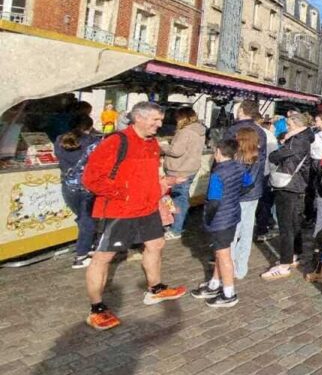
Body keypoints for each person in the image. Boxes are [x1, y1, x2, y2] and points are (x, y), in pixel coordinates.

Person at [81, 102, 187, 330]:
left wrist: (165, 183)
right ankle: (96, 308)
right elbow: (90, 178)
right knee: (103, 257)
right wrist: (122, 193)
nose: (160, 125)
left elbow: (144, 176)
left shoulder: (152, 143)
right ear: (138, 118)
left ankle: (155, 289)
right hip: (119, 211)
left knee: (156, 244)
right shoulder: (116, 142)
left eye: (160, 120)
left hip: (147, 208)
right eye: (155, 120)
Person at [190, 139, 249, 308]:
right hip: (232, 213)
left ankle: (229, 293)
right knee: (220, 251)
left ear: (218, 152)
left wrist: (207, 218)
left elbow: (214, 201)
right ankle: (215, 283)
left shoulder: (217, 173)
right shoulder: (239, 166)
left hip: (220, 218)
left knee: (224, 255)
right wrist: (233, 195)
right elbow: (248, 183)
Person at [262, 112, 312, 280]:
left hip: (289, 184)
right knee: (294, 222)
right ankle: (295, 253)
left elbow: (275, 156)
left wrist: (282, 146)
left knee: (286, 226)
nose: (288, 128)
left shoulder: (297, 141)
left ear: (297, 125)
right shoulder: (304, 138)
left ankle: (284, 263)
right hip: (295, 184)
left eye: (290, 125)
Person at [223, 100, 266, 279]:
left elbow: (225, 160)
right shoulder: (261, 132)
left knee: (232, 229)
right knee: (247, 229)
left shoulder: (234, 130)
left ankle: (229, 265)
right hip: (254, 188)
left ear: (241, 110)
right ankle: (241, 268)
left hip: (236, 189)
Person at [55, 117, 100, 269]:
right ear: (89, 126)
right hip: (88, 186)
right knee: (87, 219)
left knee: (83, 218)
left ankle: (88, 245)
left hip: (68, 187)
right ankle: (82, 254)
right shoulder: (93, 141)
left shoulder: (59, 139)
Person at [163, 107, 207, 240]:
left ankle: (176, 229)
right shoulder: (199, 130)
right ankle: (181, 223)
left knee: (179, 199)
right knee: (183, 198)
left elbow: (176, 151)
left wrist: (164, 145)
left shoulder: (185, 131)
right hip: (191, 168)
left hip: (179, 169)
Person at [254, 112, 279, 240]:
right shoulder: (268, 136)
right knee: (264, 203)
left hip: (246, 173)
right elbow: (273, 157)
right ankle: (261, 230)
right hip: (263, 172)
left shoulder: (241, 132)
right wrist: (273, 173)